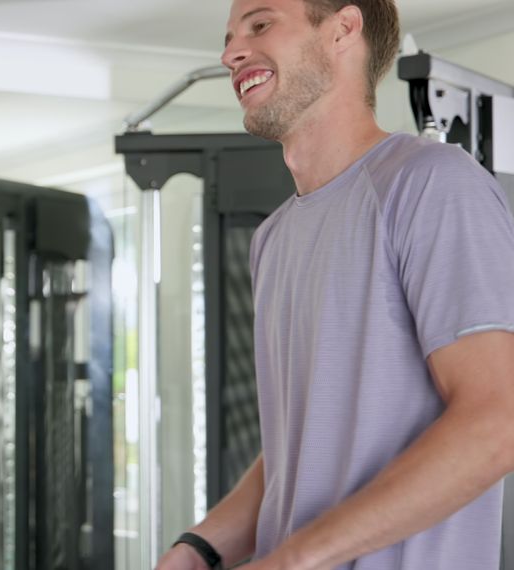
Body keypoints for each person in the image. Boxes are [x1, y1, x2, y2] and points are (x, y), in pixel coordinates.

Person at [157, 0, 514, 569]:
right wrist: (200, 545)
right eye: (229, 37)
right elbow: (296, 448)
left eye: (261, 24)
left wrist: (292, 560)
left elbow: (497, 422)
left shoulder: (432, 184)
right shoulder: (272, 238)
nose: (229, 54)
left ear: (343, 29)